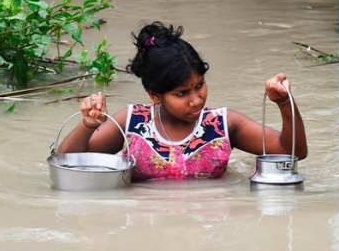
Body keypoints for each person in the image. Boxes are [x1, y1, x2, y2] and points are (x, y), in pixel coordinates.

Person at [57, 21, 307, 181]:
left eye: (199, 86)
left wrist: (285, 102)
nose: (196, 100)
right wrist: (88, 124)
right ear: (154, 95)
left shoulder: (223, 125)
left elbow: (293, 152)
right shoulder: (132, 122)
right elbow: (68, 163)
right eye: (181, 94)